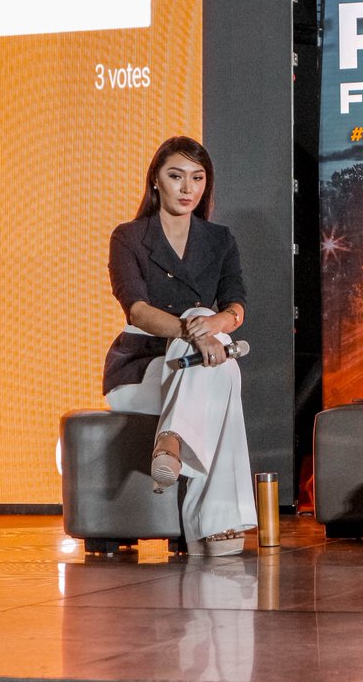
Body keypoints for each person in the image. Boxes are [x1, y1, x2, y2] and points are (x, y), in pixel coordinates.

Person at [103, 135, 257, 557]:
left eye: (197, 178)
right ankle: (217, 524)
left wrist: (217, 326)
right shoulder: (129, 237)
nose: (187, 188)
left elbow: (236, 304)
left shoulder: (220, 239)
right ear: (156, 180)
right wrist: (197, 329)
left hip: (202, 362)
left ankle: (171, 441)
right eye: (176, 176)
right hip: (141, 367)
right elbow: (136, 311)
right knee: (218, 362)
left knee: (221, 367)